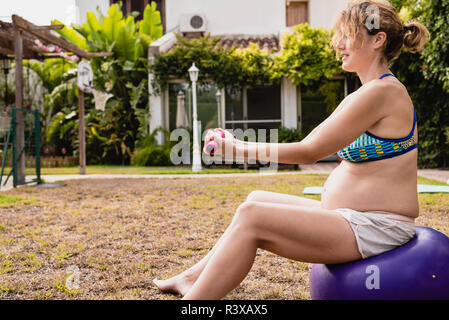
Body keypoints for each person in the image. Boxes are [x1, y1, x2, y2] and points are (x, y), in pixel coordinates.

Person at [153, 0, 430, 300]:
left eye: (347, 35)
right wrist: (237, 145)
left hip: (377, 228)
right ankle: (191, 278)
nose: (338, 44)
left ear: (378, 40)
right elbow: (311, 141)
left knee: (253, 215)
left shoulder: (383, 92)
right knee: (256, 199)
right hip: (353, 217)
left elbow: (309, 151)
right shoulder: (365, 94)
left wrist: (235, 149)